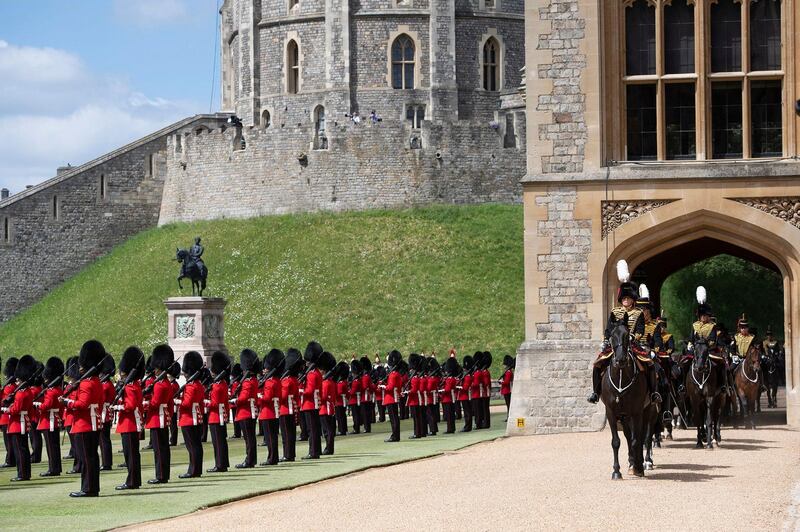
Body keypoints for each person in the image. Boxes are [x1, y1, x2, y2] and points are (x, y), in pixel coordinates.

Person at [588, 260, 658, 404]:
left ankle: (653, 393)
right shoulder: (615, 312)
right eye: (624, 298)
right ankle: (596, 392)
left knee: (650, 364)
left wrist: (633, 337)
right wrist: (607, 339)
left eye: (628, 298)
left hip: (632, 344)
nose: (626, 300)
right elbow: (609, 328)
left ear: (633, 300)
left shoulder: (638, 313)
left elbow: (640, 329)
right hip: (616, 344)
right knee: (597, 365)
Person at [61, 341, 106, 497]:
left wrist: (66, 402)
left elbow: (82, 404)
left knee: (86, 458)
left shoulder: (86, 384)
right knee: (91, 457)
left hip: (84, 424)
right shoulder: (96, 381)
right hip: (91, 423)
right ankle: (92, 487)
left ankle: (88, 489)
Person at [113, 347, 144, 490]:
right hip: (129, 423)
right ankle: (134, 480)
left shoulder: (130, 387)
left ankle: (132, 481)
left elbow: (130, 406)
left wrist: (117, 407)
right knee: (131, 455)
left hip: (129, 423)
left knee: (130, 455)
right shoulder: (133, 385)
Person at [144, 344, 175, 485]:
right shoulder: (165, 382)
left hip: (157, 419)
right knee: (163, 448)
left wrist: (143, 401)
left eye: (156, 368)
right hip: (162, 418)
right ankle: (164, 475)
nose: (154, 371)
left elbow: (155, 404)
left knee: (159, 449)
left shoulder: (160, 384)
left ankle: (161, 476)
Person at [2, 355, 37, 482]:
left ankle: (22, 474)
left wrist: (5, 409)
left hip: (18, 423)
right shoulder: (25, 391)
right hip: (21, 422)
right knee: (23, 449)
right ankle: (24, 473)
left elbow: (16, 409)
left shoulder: (21, 393)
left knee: (20, 450)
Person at [177, 351, 205, 478]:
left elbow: (186, 404)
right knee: (196, 445)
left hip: (189, 418)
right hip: (196, 418)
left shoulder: (190, 386)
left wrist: (175, 401)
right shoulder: (198, 385)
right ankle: (196, 469)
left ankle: (193, 470)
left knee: (192, 446)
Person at [34, 357, 64, 477]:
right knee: (54, 446)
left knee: (51, 447)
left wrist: (36, 405)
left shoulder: (52, 391)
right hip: (54, 420)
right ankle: (56, 468)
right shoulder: (57, 389)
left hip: (49, 421)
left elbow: (46, 406)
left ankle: (53, 469)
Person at [233, 349, 260, 468]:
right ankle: (250, 459)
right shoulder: (252, 380)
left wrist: (234, 400)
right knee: (250, 438)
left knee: (249, 439)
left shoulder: (248, 382)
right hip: (248, 412)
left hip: (246, 412)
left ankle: (249, 460)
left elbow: (243, 399)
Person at [258, 349, 283, 466]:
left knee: (270, 438)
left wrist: (257, 396)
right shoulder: (277, 380)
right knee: (273, 437)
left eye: (265, 368)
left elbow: (266, 398)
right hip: (274, 411)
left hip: (267, 412)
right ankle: (274, 457)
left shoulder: (269, 382)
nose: (263, 370)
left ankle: (271, 458)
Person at [300, 342, 323, 460]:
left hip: (309, 404)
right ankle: (316, 450)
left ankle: (313, 452)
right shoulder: (316, 372)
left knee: (311, 429)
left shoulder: (311, 374)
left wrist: (299, 391)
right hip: (314, 403)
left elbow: (309, 391)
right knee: (314, 428)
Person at [279, 349, 301, 462]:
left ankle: (287, 455)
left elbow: (282, 397)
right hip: (291, 408)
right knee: (290, 434)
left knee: (286, 435)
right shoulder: (293, 379)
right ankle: (290, 454)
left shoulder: (287, 381)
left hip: (285, 409)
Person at [380, 350, 403, 442]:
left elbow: (390, 387)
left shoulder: (393, 374)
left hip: (391, 398)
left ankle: (395, 436)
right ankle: (395, 435)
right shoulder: (396, 374)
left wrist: (383, 386)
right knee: (394, 418)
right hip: (393, 397)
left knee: (393, 419)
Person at [317, 352, 338, 455]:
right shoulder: (331, 381)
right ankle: (329, 448)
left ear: (323, 370)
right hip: (329, 408)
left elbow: (323, 397)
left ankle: (329, 448)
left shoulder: (325, 383)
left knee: (327, 431)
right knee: (328, 430)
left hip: (325, 408)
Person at [0, 357, 19, 469]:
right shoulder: (13, 386)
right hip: (8, 416)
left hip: (6, 416)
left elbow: (4, 402)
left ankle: (10, 459)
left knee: (9, 442)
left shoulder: (8, 388)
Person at [99, 356, 116, 470]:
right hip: (103, 412)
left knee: (103, 439)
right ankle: (106, 462)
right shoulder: (106, 383)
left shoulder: (105, 385)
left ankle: (106, 463)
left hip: (104, 413)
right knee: (103, 440)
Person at [405, 354, 424, 439]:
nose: (410, 371)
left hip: (414, 400)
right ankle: (420, 432)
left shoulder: (414, 378)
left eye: (411, 369)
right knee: (418, 417)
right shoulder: (416, 377)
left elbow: (414, 390)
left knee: (416, 418)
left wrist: (407, 392)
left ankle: (417, 433)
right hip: (416, 399)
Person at [458, 355, 474, 432]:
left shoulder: (467, 377)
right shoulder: (467, 375)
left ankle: (468, 426)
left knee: (467, 412)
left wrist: (458, 387)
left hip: (466, 396)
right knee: (467, 412)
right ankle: (467, 425)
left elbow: (465, 388)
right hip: (465, 396)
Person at [347, 360, 363, 434]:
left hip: (354, 400)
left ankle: (356, 429)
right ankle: (356, 428)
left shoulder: (356, 381)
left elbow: (352, 392)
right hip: (357, 400)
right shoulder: (358, 380)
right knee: (357, 415)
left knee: (355, 416)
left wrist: (348, 391)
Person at [359, 356, 374, 433]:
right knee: (367, 414)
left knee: (365, 414)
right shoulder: (367, 376)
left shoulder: (365, 377)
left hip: (364, 397)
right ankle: (367, 428)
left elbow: (364, 387)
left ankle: (367, 428)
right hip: (368, 397)